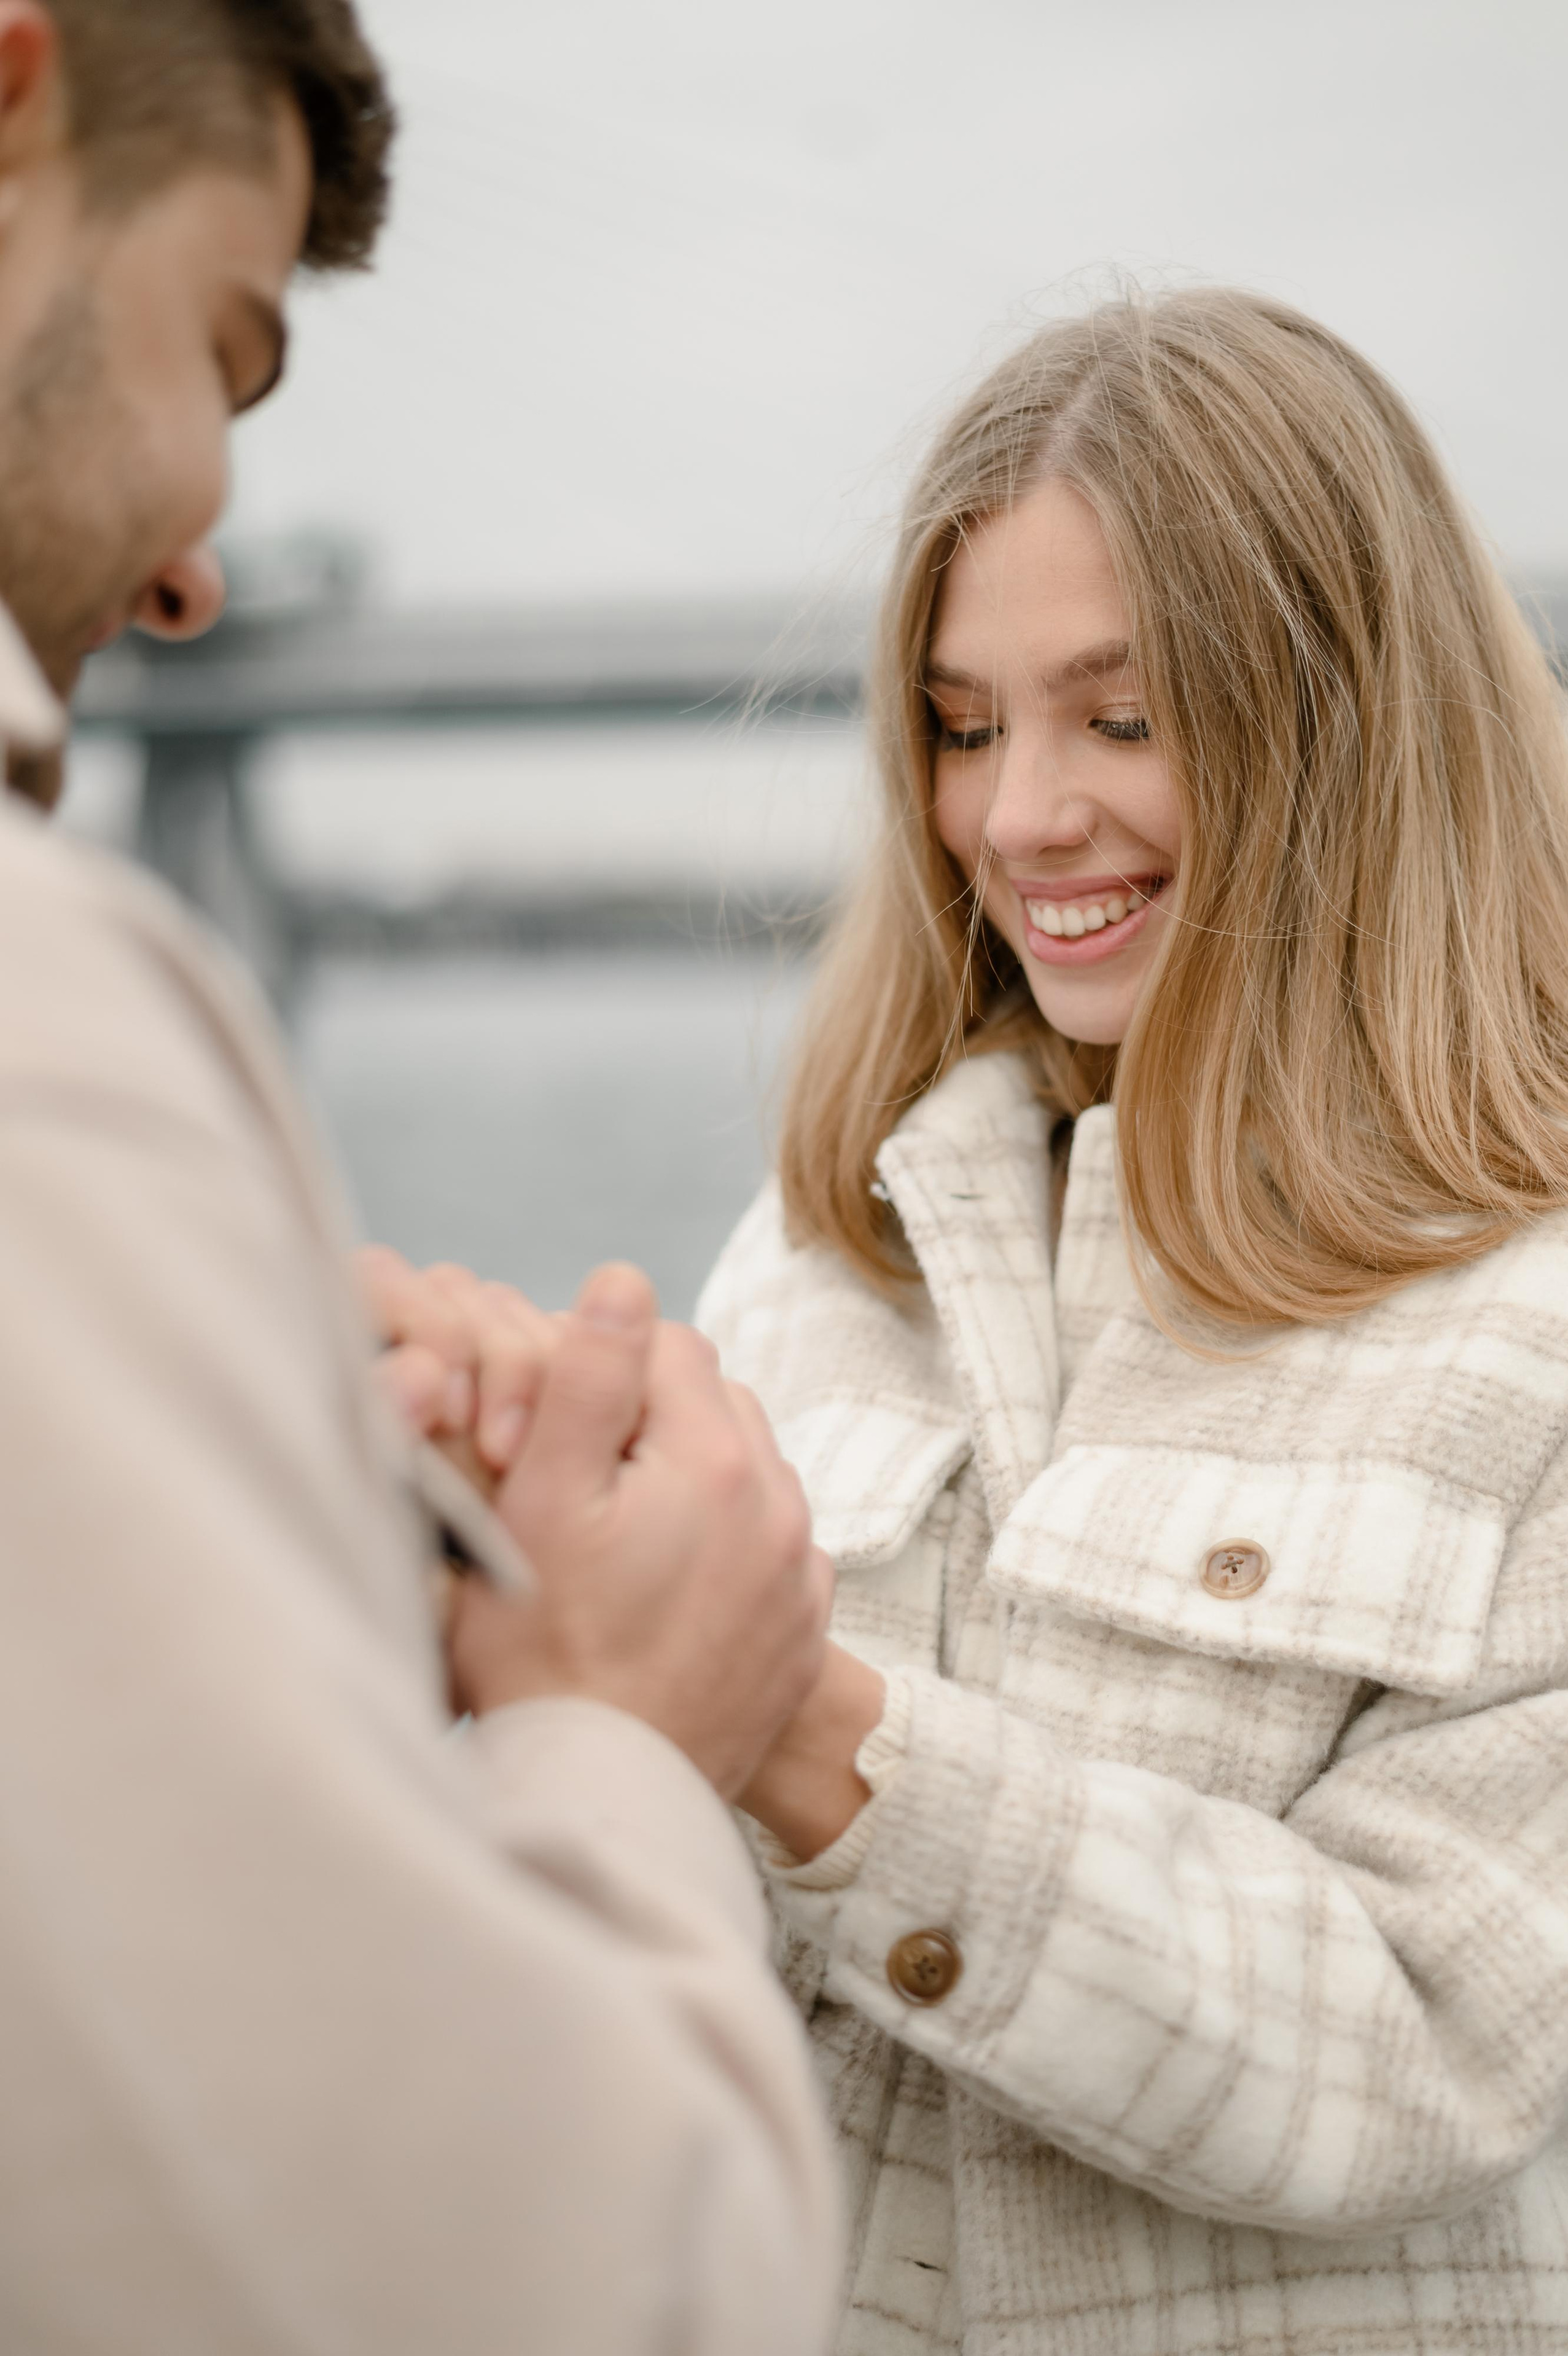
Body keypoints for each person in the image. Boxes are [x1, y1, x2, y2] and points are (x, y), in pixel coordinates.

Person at [0, 4, 841, 2350]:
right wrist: (615, 1723)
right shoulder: (48, 1033)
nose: (194, 582)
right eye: (222, 349)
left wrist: (263, 1504)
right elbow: (534, 2290)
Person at [684, 289, 1568, 2351]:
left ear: (1348, 719)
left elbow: (1419, 2040)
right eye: (967, 723)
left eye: (1126, 712)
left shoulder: (1540, 1315)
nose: (1018, 819)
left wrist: (802, 1729)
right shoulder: (830, 1242)